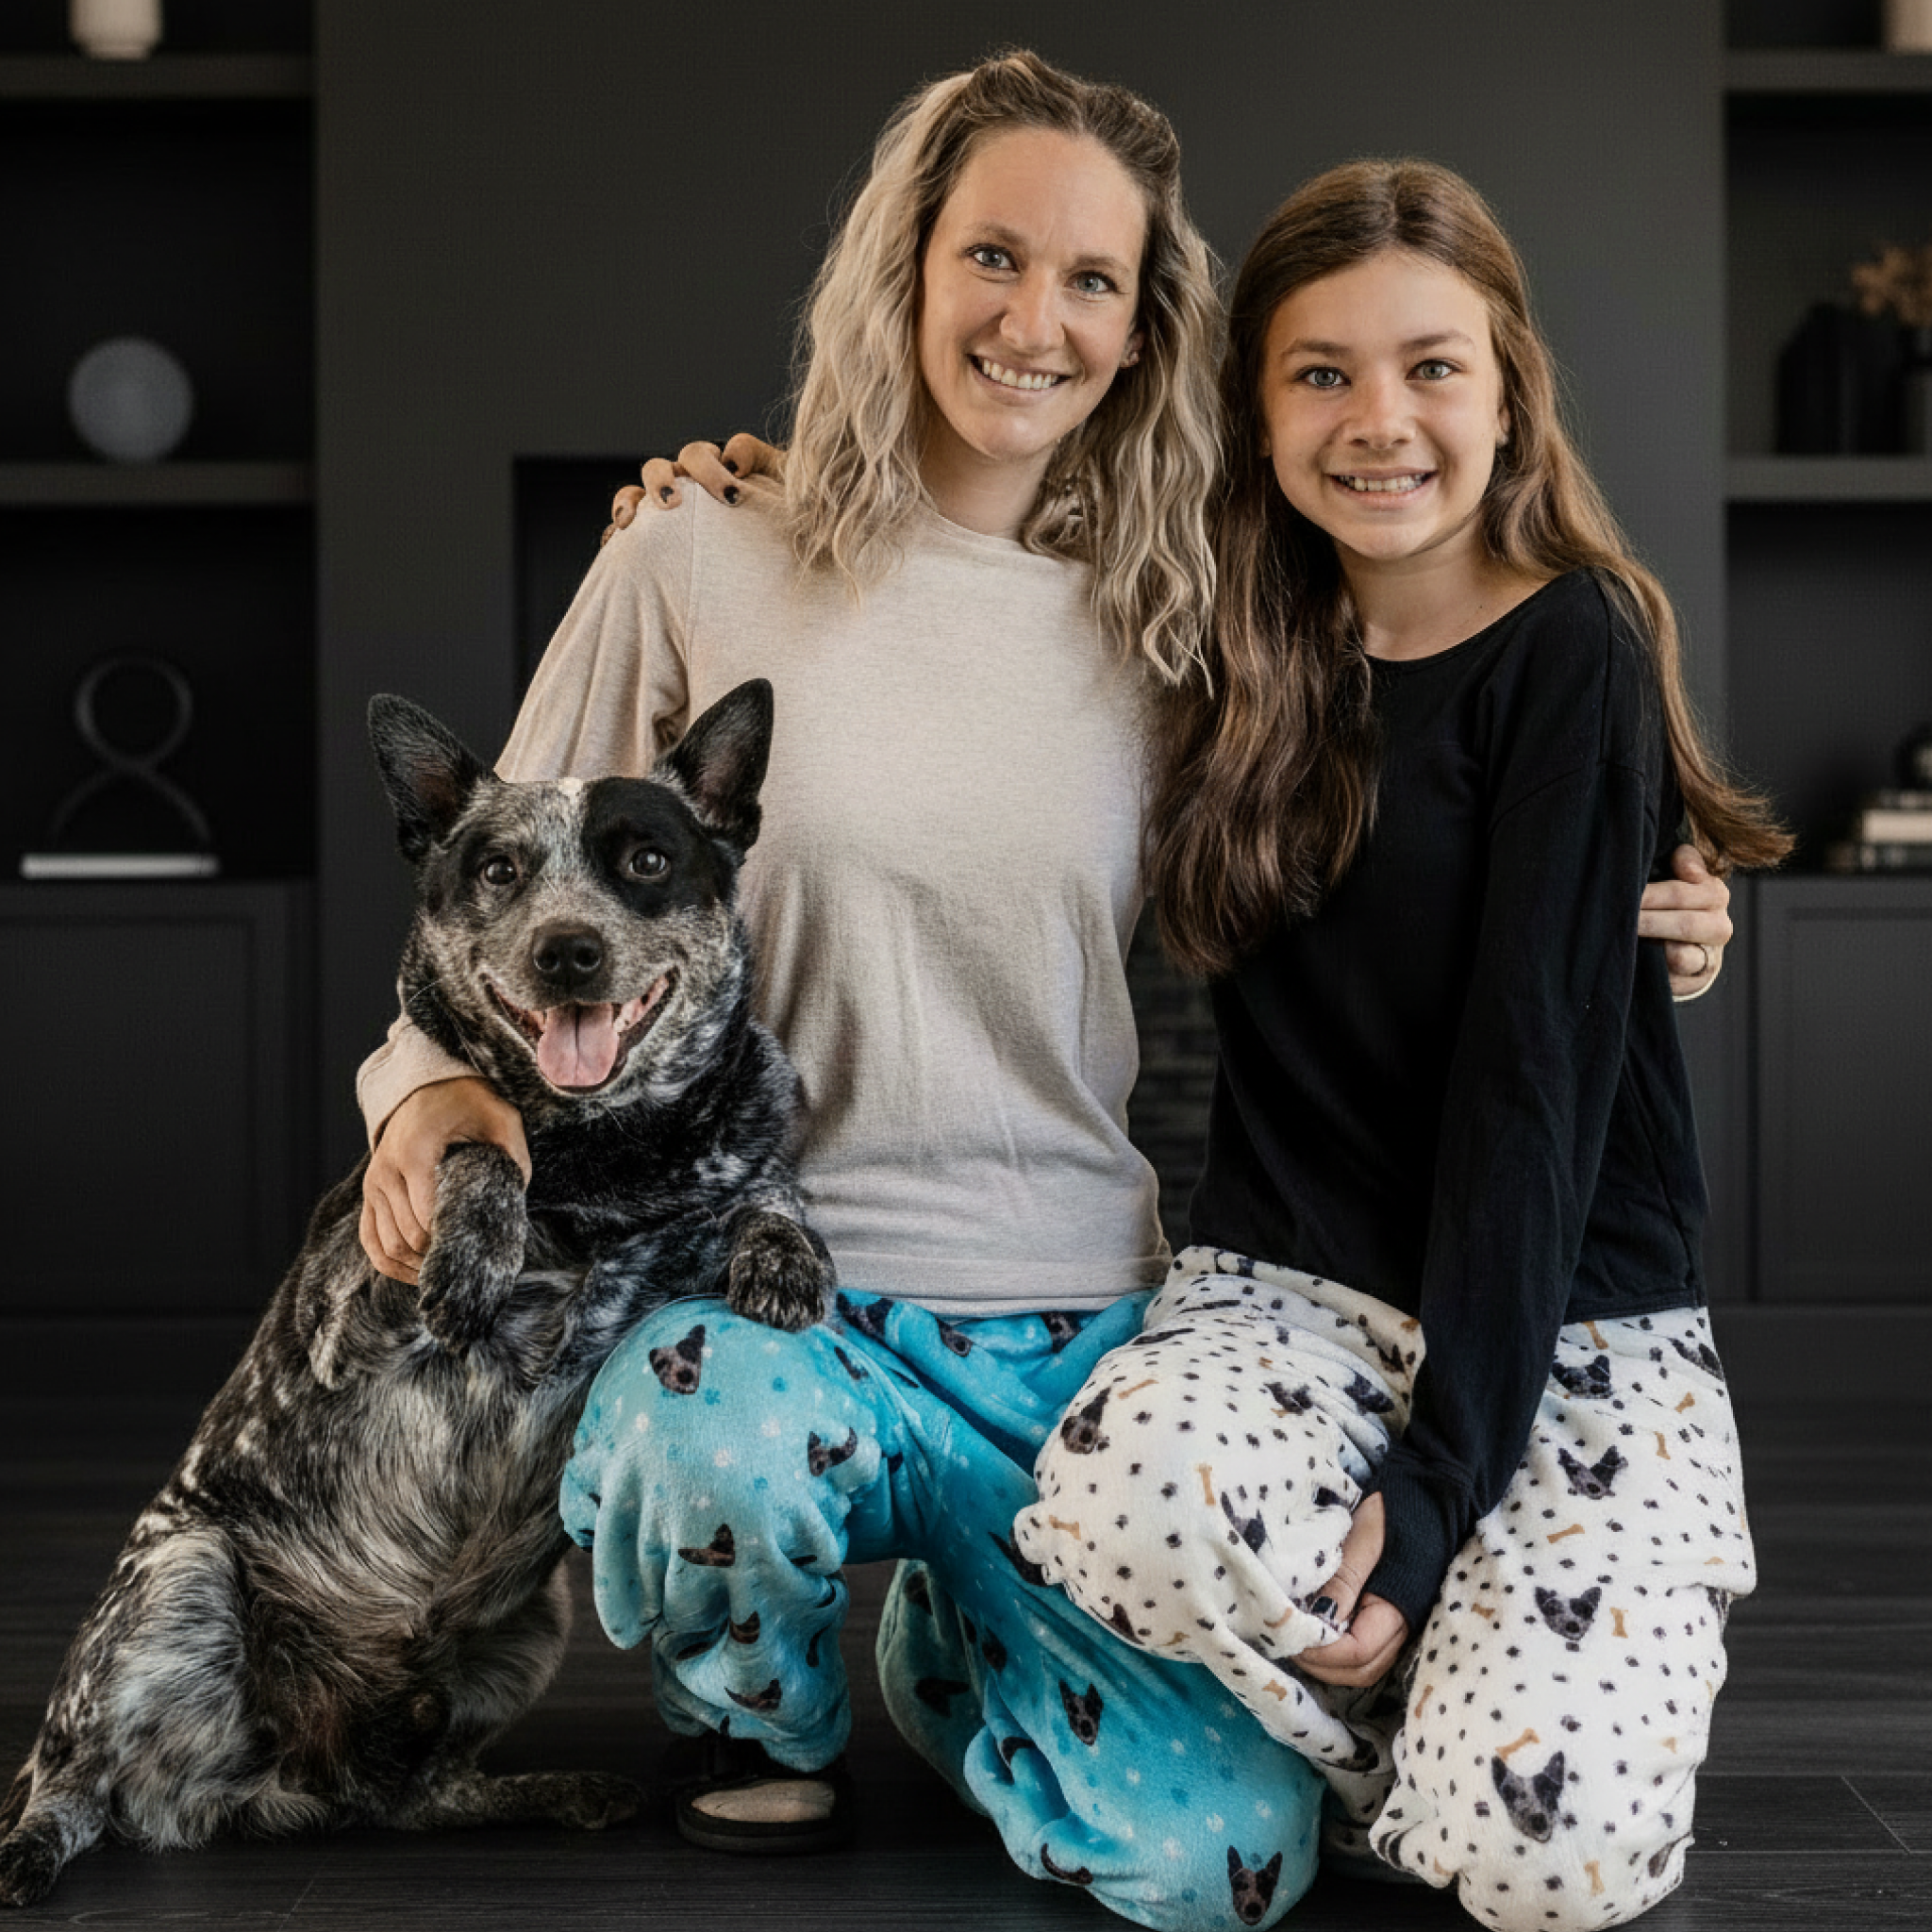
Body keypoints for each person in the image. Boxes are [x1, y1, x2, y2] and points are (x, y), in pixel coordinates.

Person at [355, 55, 1734, 1931]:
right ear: (902, 266)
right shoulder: (692, 556)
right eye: (992, 256)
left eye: (1094, 279)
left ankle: (954, 1643)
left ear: (1146, 324)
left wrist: (1643, 896)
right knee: (699, 1433)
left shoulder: (1182, 613)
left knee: (1222, 1868)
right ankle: (756, 1718)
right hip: (778, 1287)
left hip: (1078, 1303)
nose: (1034, 319)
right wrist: (428, 1094)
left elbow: (1415, 825)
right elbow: (498, 887)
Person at [1015, 158, 1789, 1932]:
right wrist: (716, 492)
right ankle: (1421, 1712)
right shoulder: (1209, 635)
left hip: (1569, 1319)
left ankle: (1444, 1701)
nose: (1381, 422)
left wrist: (1442, 1487)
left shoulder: (1577, 645)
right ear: (1255, 408)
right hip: (1287, 1293)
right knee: (1119, 1494)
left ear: (1508, 386)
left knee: (1551, 1866)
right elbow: (956, 560)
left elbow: (1531, 1098)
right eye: (1321, 373)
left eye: (1432, 365)